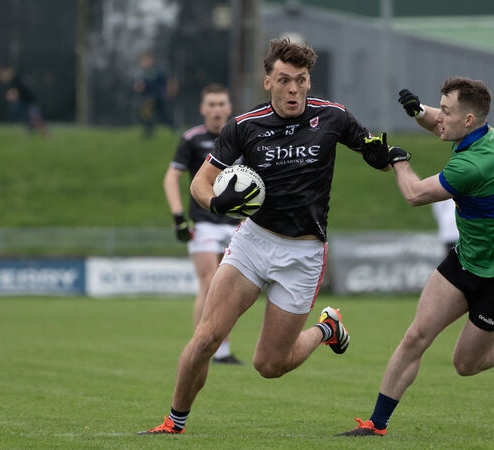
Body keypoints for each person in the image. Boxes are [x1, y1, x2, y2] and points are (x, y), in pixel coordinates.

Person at [139, 37, 392, 435]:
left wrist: (381, 158)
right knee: (206, 338)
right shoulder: (243, 126)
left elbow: (373, 151)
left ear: (310, 81)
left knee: (269, 366)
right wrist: (217, 203)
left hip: (304, 253)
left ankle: (327, 328)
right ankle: (174, 421)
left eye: (302, 80)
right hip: (253, 243)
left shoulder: (333, 117)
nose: (294, 89)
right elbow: (200, 184)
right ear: (267, 82)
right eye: (285, 80)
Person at [337, 78, 494, 437]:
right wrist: (418, 113)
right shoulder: (478, 134)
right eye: (440, 108)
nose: (438, 117)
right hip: (466, 261)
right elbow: (440, 125)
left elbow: (413, 194)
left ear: (469, 119)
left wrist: (396, 158)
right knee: (416, 336)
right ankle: (375, 424)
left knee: (465, 364)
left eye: (445, 110)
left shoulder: (476, 163)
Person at [163, 83, 245, 364]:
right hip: (203, 222)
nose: (216, 109)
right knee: (209, 282)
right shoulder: (192, 138)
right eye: (211, 104)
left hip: (235, 222)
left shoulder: (240, 136)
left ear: (229, 107)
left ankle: (222, 349)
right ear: (202, 109)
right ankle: (201, 346)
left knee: (229, 287)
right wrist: (178, 218)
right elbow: (171, 178)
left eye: (221, 103)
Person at [0, 64, 49, 137]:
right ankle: (30, 133)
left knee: (35, 119)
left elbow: (18, 93)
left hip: (31, 101)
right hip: (24, 102)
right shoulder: (14, 80)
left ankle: (47, 136)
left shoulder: (17, 79)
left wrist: (11, 95)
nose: (2, 78)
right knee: (27, 118)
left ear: (7, 72)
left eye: (2, 75)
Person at [133, 51, 177, 138]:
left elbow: (169, 79)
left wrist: (170, 91)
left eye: (145, 61)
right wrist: (138, 86)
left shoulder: (157, 70)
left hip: (157, 96)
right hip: (148, 97)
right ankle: (174, 129)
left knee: (147, 112)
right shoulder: (143, 73)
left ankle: (150, 132)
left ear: (151, 60)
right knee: (159, 115)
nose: (143, 63)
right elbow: (140, 84)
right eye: (142, 61)